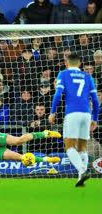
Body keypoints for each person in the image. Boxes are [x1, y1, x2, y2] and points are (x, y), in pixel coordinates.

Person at [48, 53, 100, 187]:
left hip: (72, 113)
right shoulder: (88, 77)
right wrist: (95, 118)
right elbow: (95, 100)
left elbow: (58, 93)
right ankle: (80, 178)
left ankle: (82, 170)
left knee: (69, 147)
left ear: (66, 63)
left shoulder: (63, 74)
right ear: (79, 64)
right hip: (86, 114)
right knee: (82, 147)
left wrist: (52, 112)